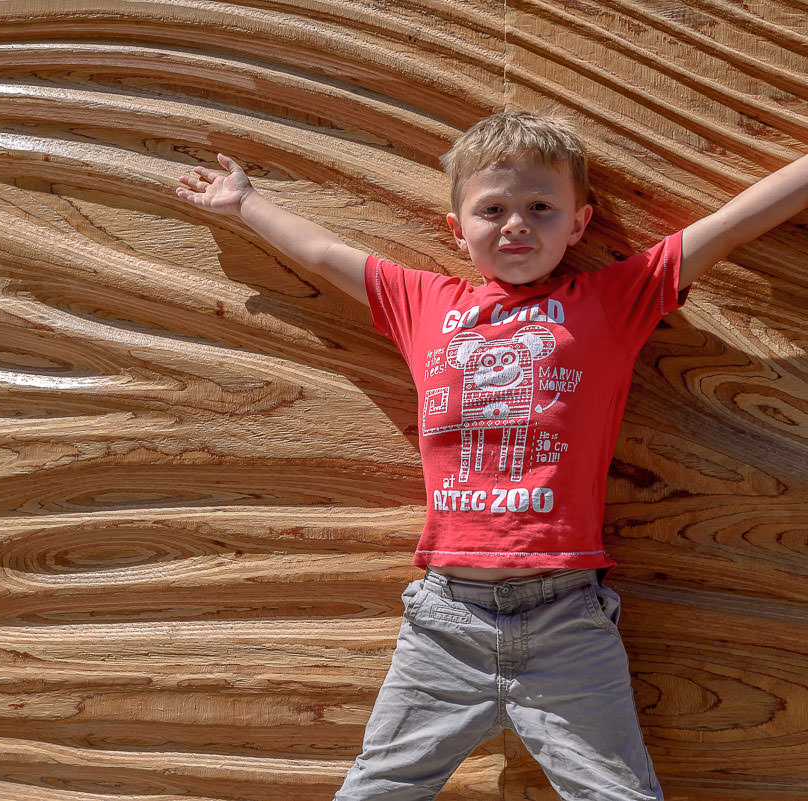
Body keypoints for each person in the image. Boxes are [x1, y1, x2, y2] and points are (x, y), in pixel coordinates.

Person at [173, 110, 808, 800]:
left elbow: (726, 227)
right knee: (376, 789)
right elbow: (327, 255)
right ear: (458, 229)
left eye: (542, 206)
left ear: (580, 223)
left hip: (567, 620)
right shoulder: (425, 303)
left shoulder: (610, 300)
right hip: (446, 622)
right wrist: (247, 203)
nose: (516, 223)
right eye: (493, 208)